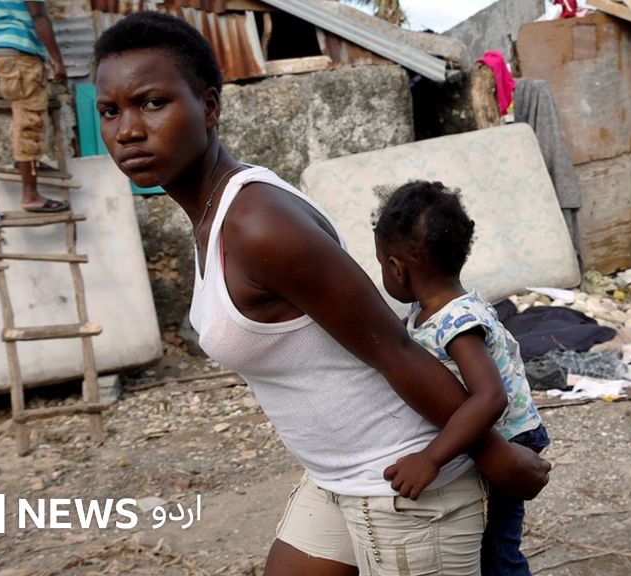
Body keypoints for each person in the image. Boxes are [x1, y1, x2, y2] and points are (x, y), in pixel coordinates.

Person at [93, 12, 550, 576]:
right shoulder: (211, 214)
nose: (128, 130)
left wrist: (497, 457)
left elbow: (394, 351)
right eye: (110, 111)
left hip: (402, 481)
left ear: (209, 107)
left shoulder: (259, 224)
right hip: (338, 476)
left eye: (152, 103)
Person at [373, 181, 551, 576]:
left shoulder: (458, 322)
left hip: (512, 439)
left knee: (498, 552)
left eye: (381, 263)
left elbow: (490, 398)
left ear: (397, 268)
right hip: (487, 432)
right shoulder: (430, 309)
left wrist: (430, 459)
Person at [0, 0, 69, 212]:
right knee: (30, 120)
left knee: (24, 112)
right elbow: (39, 15)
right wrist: (57, 60)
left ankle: (28, 165)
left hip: (2, 51)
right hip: (20, 53)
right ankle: (30, 196)